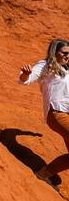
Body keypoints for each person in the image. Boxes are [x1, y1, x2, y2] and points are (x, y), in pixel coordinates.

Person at [19, 38, 69, 188]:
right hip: (57, 113)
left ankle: (43, 174)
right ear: (55, 52)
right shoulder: (46, 65)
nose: (68, 56)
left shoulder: (67, 70)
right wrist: (25, 74)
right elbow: (26, 78)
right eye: (65, 53)